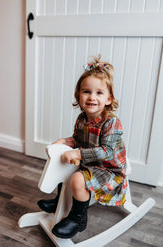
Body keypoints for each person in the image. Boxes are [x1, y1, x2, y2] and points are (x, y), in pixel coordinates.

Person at [37, 55, 128, 239]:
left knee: (78, 179)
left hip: (108, 168)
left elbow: (106, 151)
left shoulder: (111, 122)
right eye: (86, 91)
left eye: (99, 93)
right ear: (78, 94)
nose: (92, 97)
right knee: (65, 166)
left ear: (109, 99)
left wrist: (77, 152)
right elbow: (78, 140)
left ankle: (78, 218)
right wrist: (64, 142)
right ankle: (59, 201)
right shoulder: (82, 119)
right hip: (90, 162)